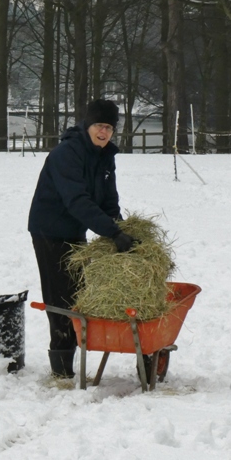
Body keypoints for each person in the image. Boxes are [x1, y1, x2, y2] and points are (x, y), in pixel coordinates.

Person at [28, 99, 137, 379]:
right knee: (61, 296)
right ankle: (61, 367)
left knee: (77, 294)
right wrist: (111, 232)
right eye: (100, 126)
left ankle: (68, 357)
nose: (105, 133)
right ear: (88, 125)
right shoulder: (67, 154)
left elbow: (109, 201)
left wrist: (121, 230)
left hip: (75, 230)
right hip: (49, 229)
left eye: (110, 128)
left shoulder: (104, 156)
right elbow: (77, 200)